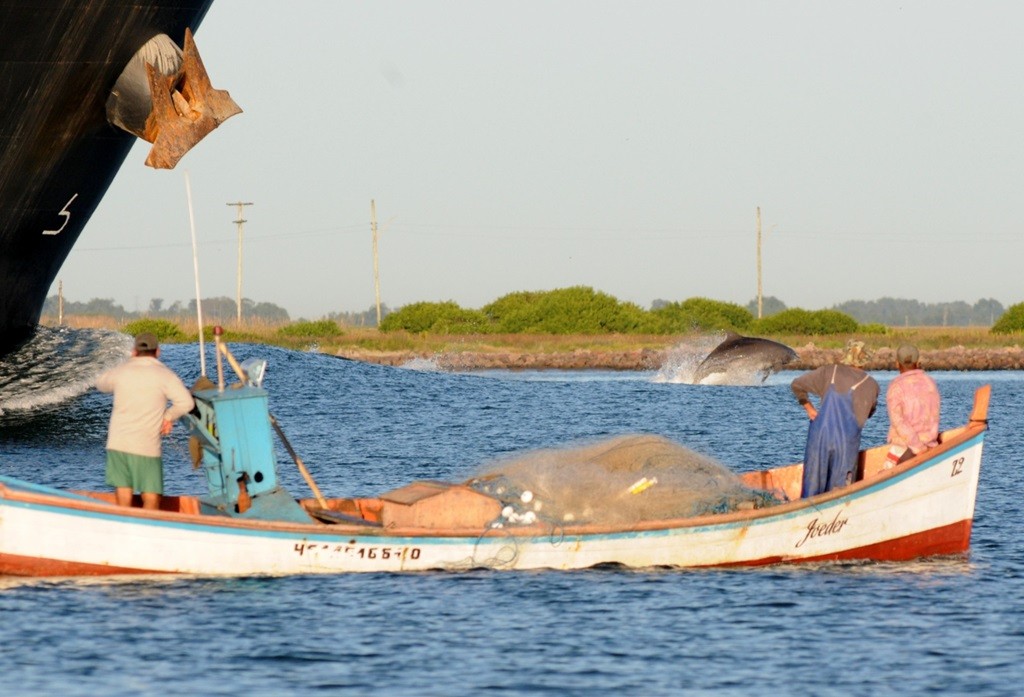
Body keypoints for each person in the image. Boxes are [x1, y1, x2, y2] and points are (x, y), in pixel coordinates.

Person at [96, 332, 194, 510]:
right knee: (151, 495)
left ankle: (124, 521)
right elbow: (186, 403)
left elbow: (101, 383)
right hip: (147, 446)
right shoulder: (165, 375)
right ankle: (148, 524)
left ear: (134, 351)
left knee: (124, 491)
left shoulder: (122, 371)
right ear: (157, 351)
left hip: (119, 444)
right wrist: (168, 417)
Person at [791, 340, 880, 498]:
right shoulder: (872, 385)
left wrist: (809, 408)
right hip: (847, 443)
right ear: (865, 359)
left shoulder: (829, 371)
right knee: (840, 493)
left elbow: (797, 385)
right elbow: (869, 413)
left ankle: (807, 510)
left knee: (811, 488)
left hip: (820, 436)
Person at [884, 344, 940, 467]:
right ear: (917, 362)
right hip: (931, 445)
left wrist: (918, 447)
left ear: (897, 363)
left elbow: (898, 422)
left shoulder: (896, 387)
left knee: (884, 472)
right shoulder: (930, 382)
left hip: (905, 450)